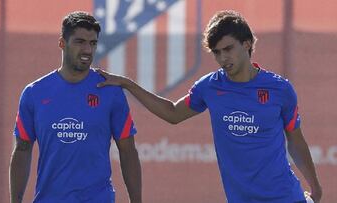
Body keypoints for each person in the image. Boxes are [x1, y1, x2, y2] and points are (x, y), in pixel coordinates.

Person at [96, 10, 322, 203]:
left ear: (247, 44)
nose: (223, 58)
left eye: (228, 49)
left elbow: (296, 141)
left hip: (286, 196)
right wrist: (128, 84)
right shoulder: (210, 87)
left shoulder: (280, 89)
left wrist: (315, 186)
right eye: (217, 52)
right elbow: (173, 114)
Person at [9, 11, 142, 203]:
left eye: (93, 43)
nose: (88, 50)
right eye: (80, 42)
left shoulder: (110, 91)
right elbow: (22, 150)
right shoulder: (34, 93)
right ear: (62, 43)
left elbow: (128, 150)